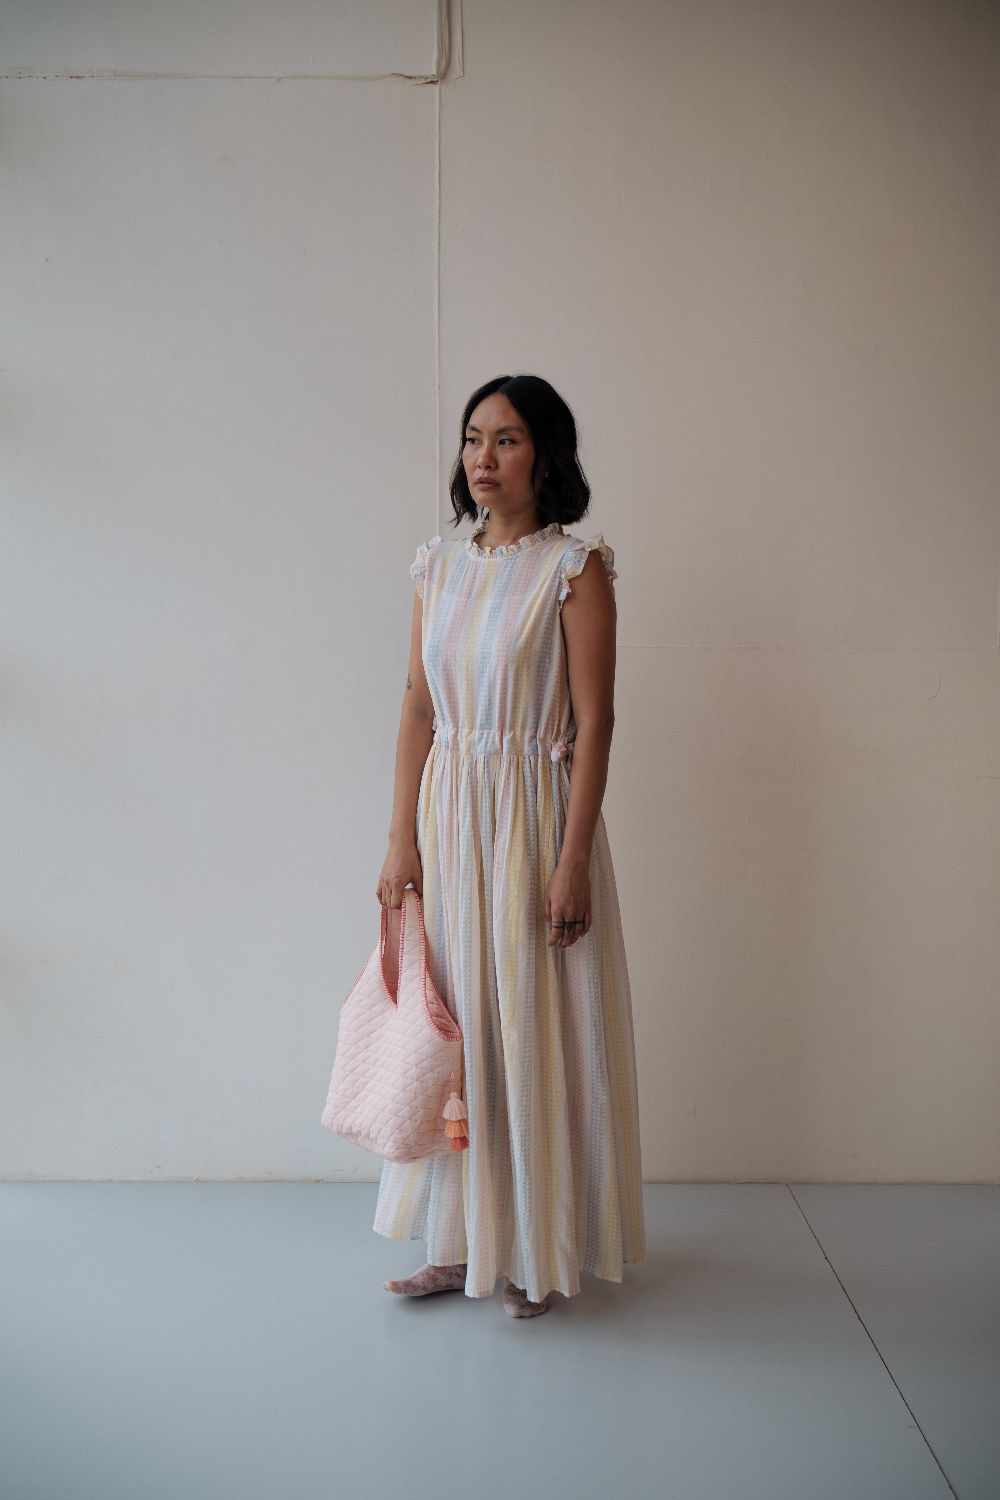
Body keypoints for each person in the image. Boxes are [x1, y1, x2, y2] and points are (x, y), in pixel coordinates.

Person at [374, 373, 646, 1319]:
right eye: (472, 438)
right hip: (449, 821)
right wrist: (399, 840)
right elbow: (418, 708)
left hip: (534, 820)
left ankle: (534, 1248)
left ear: (546, 455)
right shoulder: (436, 567)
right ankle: (457, 1244)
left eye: (508, 439)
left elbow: (596, 722)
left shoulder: (575, 569)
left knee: (528, 1027)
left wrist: (573, 860)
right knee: (453, 1031)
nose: (483, 458)